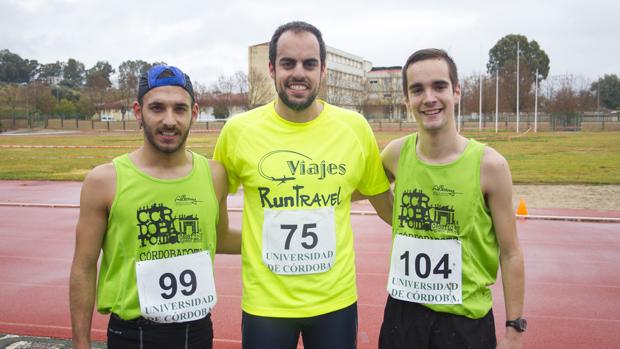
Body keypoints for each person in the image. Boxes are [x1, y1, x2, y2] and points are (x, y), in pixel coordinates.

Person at [213, 21, 392, 349]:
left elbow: (387, 206)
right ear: (271, 68)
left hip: (334, 304)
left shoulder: (354, 128)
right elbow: (210, 210)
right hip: (265, 306)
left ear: (323, 70)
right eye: (287, 63)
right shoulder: (238, 131)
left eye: (309, 64)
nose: (299, 72)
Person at [69, 64, 239, 349]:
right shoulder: (104, 181)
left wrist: (276, 241)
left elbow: (221, 238)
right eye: (157, 108)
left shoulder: (214, 175)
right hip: (132, 335)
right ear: (139, 111)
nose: (169, 120)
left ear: (194, 113)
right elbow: (83, 266)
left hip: (197, 332)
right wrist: (80, 343)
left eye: (180, 109)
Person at [378, 49, 526, 349]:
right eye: (417, 90)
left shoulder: (490, 166)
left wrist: (514, 331)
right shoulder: (395, 154)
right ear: (407, 100)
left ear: (456, 91)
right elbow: (360, 187)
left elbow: (511, 253)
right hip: (402, 318)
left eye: (439, 86)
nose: (429, 98)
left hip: (464, 323)